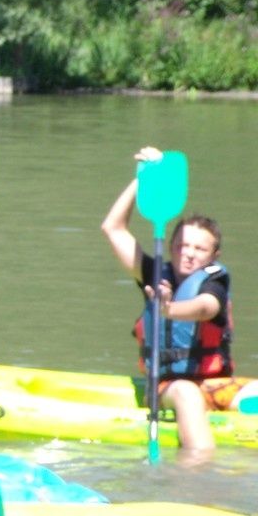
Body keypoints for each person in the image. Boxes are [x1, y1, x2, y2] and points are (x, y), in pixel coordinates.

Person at [100, 146, 241, 452]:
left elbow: (206, 308)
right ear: (172, 246)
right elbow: (113, 227)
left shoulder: (214, 281)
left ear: (214, 255)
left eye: (199, 249)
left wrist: (170, 308)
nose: (188, 253)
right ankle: (200, 469)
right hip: (168, 386)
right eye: (182, 245)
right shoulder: (154, 273)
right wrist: (143, 178)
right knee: (188, 393)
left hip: (214, 384)